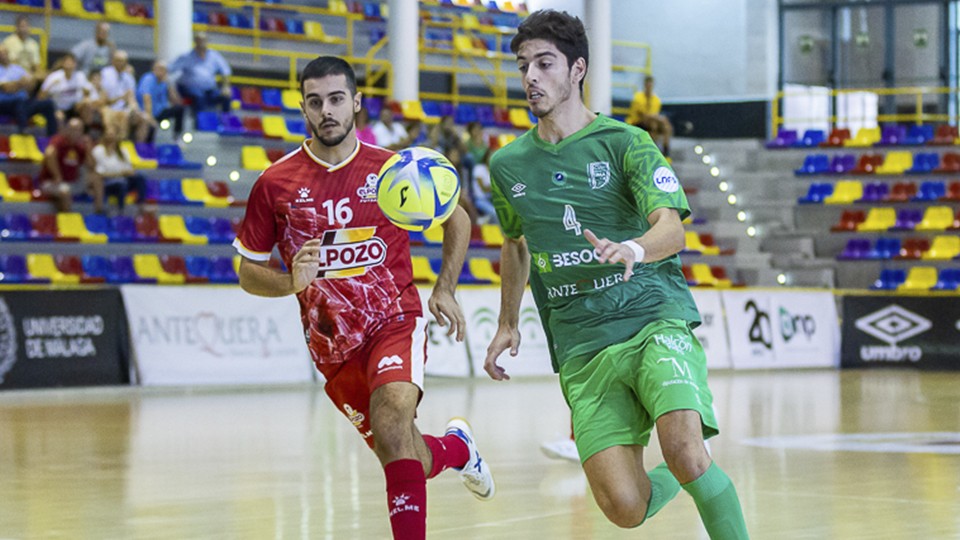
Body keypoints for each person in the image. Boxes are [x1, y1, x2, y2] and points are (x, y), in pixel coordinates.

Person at [484, 10, 748, 538]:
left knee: (684, 451)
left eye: (544, 63)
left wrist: (632, 247)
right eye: (523, 67)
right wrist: (508, 321)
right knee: (624, 507)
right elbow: (515, 243)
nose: (531, 77)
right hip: (582, 345)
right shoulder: (508, 165)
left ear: (577, 69)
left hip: (652, 318)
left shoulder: (627, 143)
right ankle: (682, 469)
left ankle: (692, 464)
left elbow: (671, 230)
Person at [232, 56, 494, 540]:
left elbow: (457, 217)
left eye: (336, 99)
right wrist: (290, 281)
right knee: (402, 451)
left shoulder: (393, 170)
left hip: (395, 320)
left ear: (356, 102)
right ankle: (458, 449)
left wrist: (445, 287)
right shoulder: (276, 183)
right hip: (333, 348)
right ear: (303, 109)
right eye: (315, 102)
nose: (326, 111)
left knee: (393, 422)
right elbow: (247, 270)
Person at [169, 32, 232, 119]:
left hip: (209, 89)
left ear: (207, 41)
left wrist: (226, 87)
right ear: (195, 41)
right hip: (189, 89)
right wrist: (171, 88)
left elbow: (225, 71)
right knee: (199, 96)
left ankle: (226, 122)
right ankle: (200, 123)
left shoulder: (214, 56)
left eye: (204, 40)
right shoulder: (186, 57)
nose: (202, 42)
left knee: (225, 97)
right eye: (199, 40)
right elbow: (169, 69)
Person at [90, 124, 148, 214]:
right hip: (107, 182)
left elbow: (130, 169)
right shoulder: (98, 150)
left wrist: (127, 173)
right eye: (109, 134)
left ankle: (141, 205)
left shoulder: (122, 151)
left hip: (123, 179)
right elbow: (99, 173)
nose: (112, 137)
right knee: (121, 183)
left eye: (113, 135)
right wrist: (120, 174)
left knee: (140, 176)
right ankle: (121, 211)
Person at [38, 117, 92, 213]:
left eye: (79, 130)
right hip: (52, 182)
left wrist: (88, 149)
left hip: (72, 183)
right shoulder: (59, 141)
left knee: (96, 178)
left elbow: (92, 165)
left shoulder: (81, 146)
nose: (76, 133)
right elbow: (49, 154)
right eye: (73, 129)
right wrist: (57, 176)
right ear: (67, 130)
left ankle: (99, 213)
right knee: (65, 191)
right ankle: (68, 222)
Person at [0, 44, 56, 136]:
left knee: (48, 103)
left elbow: (31, 84)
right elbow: (7, 88)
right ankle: (24, 131)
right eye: (0, 53)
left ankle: (52, 136)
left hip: (23, 103)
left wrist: (22, 84)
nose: (3, 55)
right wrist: (21, 83)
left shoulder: (17, 69)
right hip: (5, 105)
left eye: (4, 53)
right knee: (19, 101)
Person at [100, 50, 152, 141]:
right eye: (118, 60)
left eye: (123, 61)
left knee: (144, 118)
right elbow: (104, 98)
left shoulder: (129, 77)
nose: (121, 63)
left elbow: (131, 98)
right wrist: (121, 98)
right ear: (113, 61)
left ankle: (139, 149)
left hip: (124, 108)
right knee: (118, 116)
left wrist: (134, 109)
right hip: (108, 106)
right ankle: (115, 146)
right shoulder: (105, 73)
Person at [38, 53, 94, 124]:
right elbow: (40, 96)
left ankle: (86, 131)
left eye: (71, 62)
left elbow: (88, 92)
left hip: (74, 107)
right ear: (63, 64)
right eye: (67, 62)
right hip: (58, 108)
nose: (69, 65)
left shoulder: (80, 76)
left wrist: (85, 96)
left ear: (75, 64)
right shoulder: (54, 77)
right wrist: (51, 85)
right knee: (59, 117)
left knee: (87, 104)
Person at [625, 75, 673, 158]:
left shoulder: (656, 99)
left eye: (650, 84)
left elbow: (654, 114)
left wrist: (661, 120)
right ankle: (652, 150)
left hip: (651, 122)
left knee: (666, 126)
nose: (649, 86)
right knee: (653, 124)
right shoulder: (638, 97)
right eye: (647, 84)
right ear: (645, 85)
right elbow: (643, 115)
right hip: (636, 122)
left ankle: (666, 150)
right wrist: (660, 118)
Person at [137, 60, 185, 142]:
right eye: (158, 68)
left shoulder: (165, 82)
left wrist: (170, 84)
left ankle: (177, 136)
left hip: (160, 111)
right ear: (153, 69)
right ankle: (146, 148)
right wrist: (150, 118)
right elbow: (147, 99)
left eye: (163, 69)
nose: (160, 71)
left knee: (179, 108)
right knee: (150, 125)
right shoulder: (148, 79)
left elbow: (175, 100)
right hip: (146, 111)